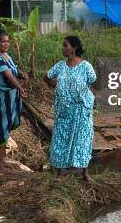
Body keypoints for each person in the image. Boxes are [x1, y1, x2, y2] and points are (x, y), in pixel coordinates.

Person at [43, 35, 97, 183]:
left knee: (83, 140)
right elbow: (46, 77)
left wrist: (86, 96)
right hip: (64, 111)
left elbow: (94, 83)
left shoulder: (86, 66)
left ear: (74, 48)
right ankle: (59, 174)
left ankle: (85, 174)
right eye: (63, 45)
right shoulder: (60, 66)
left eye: (65, 45)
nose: (63, 48)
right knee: (60, 139)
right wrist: (58, 87)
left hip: (81, 111)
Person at [0, 30, 28, 173]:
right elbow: (7, 74)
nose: (6, 44)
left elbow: (12, 69)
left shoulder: (6, 55)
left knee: (6, 125)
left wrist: (21, 74)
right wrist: (20, 87)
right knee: (1, 126)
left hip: (9, 96)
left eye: (8, 41)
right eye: (3, 41)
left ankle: (2, 161)